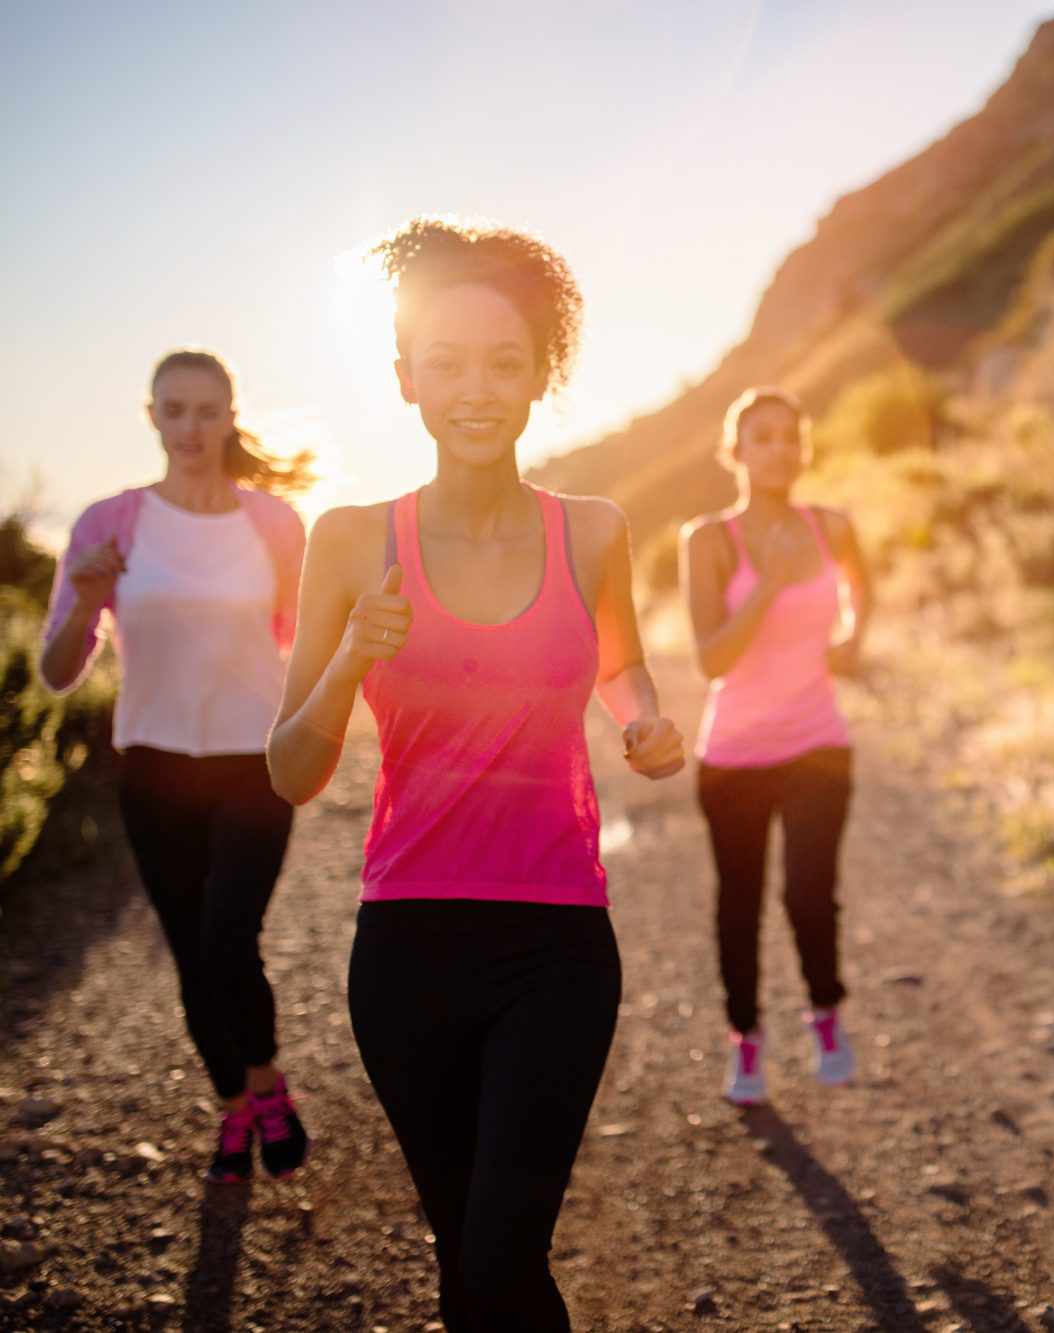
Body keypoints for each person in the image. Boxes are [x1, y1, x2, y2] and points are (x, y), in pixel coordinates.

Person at [266, 217, 683, 1332]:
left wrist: (645, 721)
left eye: (503, 362)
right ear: (403, 379)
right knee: (470, 1258)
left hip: (556, 942)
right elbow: (291, 767)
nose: (474, 387)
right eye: (444, 362)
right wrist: (355, 649)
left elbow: (620, 665)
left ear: (541, 376)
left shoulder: (591, 532)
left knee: (500, 1245)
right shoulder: (353, 540)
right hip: (405, 948)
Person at [38, 350, 312, 1187]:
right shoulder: (110, 524)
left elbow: (310, 646)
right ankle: (234, 1104)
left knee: (231, 937)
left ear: (231, 416)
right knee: (193, 952)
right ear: (151, 416)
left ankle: (268, 1084)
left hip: (253, 762)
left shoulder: (274, 524)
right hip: (154, 768)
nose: (192, 426)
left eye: (207, 410)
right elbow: (56, 671)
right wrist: (86, 600)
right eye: (175, 409)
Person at [679, 387, 872, 1106]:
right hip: (733, 755)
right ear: (735, 451)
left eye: (790, 437)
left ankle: (826, 1015)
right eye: (761, 437)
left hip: (820, 743)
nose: (779, 450)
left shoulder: (832, 526)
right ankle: (745, 1039)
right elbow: (710, 660)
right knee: (741, 901)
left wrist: (854, 633)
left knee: (809, 892)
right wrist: (772, 588)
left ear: (804, 448)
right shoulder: (709, 539)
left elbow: (862, 586)